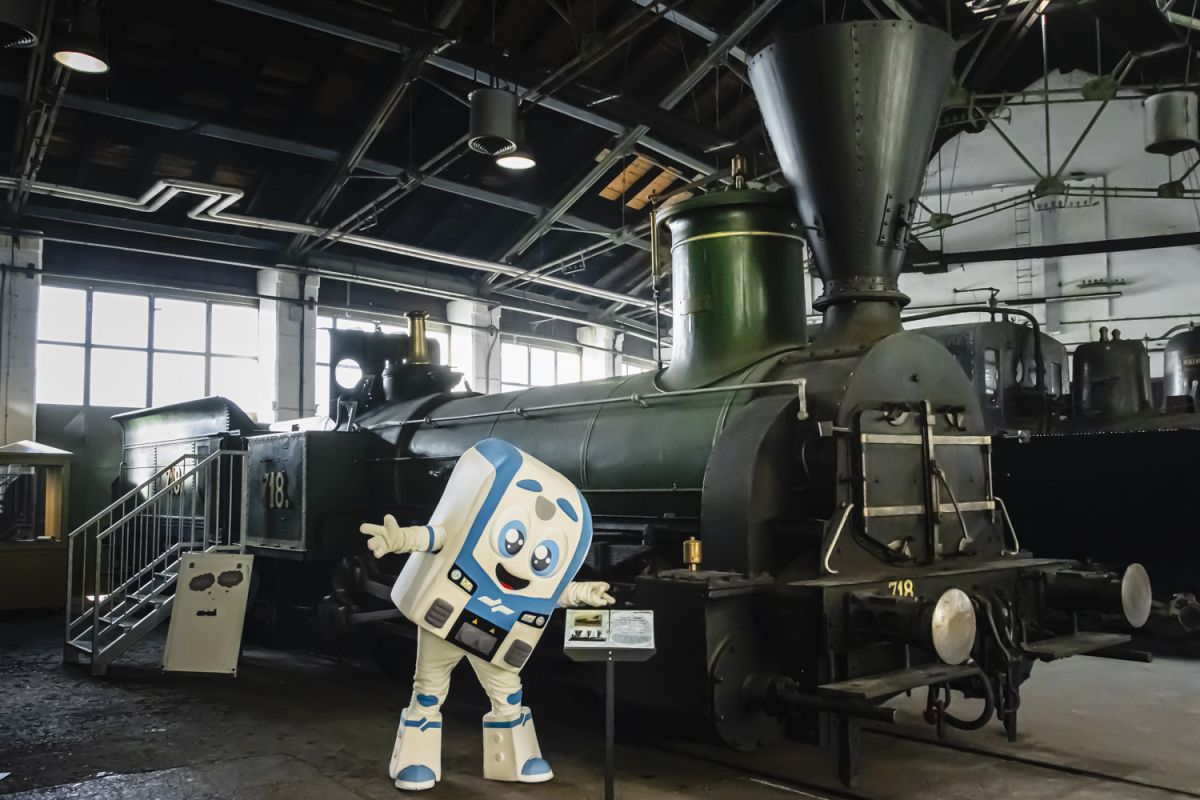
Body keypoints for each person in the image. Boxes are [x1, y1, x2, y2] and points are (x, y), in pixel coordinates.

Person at [360, 437, 614, 791]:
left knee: (508, 693)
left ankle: (514, 761)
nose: (520, 564)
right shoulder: (472, 510)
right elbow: (436, 536)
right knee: (429, 689)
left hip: (501, 628)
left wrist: (583, 592)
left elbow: (550, 590)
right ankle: (415, 760)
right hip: (449, 615)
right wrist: (399, 540)